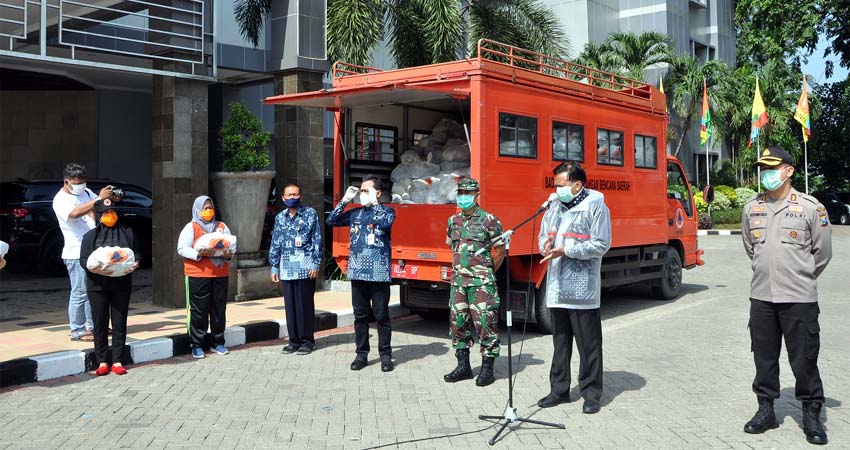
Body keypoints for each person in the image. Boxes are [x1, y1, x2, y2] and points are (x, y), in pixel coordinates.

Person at [741, 146, 832, 445]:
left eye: (772, 167)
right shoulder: (751, 208)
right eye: (763, 168)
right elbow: (751, 248)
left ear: (789, 170)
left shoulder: (810, 208)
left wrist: (800, 276)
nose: (766, 174)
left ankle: (811, 415)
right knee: (764, 358)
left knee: (804, 360)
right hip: (762, 297)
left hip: (799, 299)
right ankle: (766, 411)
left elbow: (822, 253)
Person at [537, 161, 611, 415]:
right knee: (560, 342)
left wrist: (566, 250)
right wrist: (545, 245)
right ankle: (559, 390)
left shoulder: (596, 206)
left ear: (578, 184)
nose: (557, 189)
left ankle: (591, 393)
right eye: (555, 184)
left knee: (588, 344)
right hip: (557, 286)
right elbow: (544, 235)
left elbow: (601, 244)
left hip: (582, 289)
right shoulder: (554, 205)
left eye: (562, 185)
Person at [327, 175, 396, 372]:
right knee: (360, 316)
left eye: (367, 190)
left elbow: (385, 224)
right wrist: (344, 201)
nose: (362, 194)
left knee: (382, 315)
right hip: (357, 272)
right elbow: (331, 220)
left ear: (378, 193)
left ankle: (385, 355)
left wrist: (375, 203)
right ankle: (361, 354)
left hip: (378, 273)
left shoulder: (387, 211)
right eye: (362, 190)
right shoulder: (355, 214)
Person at [443, 177, 505, 387]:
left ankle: (487, 369)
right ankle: (463, 367)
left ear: (477, 196)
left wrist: (486, 273)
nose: (463, 197)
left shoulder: (490, 221)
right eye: (460, 193)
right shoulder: (453, 221)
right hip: (458, 283)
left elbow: (500, 251)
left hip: (482, 283)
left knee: (486, 325)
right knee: (457, 324)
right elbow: (452, 247)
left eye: (468, 194)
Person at [52, 163, 115, 342]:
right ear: (67, 181)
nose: (81, 185)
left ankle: (94, 326)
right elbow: (74, 213)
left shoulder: (86, 193)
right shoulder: (61, 199)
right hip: (75, 252)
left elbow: (98, 204)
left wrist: (107, 198)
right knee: (79, 292)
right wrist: (95, 202)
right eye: (77, 182)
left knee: (92, 290)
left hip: (92, 249)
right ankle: (77, 330)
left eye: (83, 182)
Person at [79, 198, 140, 376]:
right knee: (100, 323)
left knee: (120, 322)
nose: (110, 216)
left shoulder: (127, 232)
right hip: (98, 286)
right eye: (105, 213)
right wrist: (99, 270)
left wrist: (135, 264)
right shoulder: (90, 236)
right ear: (98, 215)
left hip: (121, 284)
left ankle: (118, 360)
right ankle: (102, 361)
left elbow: (137, 254)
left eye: (112, 212)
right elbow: (84, 261)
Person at [177, 196, 235, 359]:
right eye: (205, 208)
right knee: (198, 310)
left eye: (210, 207)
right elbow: (181, 248)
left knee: (218, 309)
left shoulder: (222, 227)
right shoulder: (191, 227)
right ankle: (197, 344)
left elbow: (230, 247)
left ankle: (218, 342)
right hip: (198, 274)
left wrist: (228, 254)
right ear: (197, 210)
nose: (208, 211)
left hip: (220, 273)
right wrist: (199, 254)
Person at [269, 183, 322, 355]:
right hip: (286, 267)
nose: (292, 198)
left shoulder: (310, 214)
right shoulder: (280, 218)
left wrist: (315, 263)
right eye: (289, 195)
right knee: (290, 305)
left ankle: (307, 340)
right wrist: (274, 266)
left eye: (295, 194)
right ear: (283, 198)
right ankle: (293, 340)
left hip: (305, 266)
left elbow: (317, 239)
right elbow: (275, 242)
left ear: (301, 196)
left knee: (304, 305)